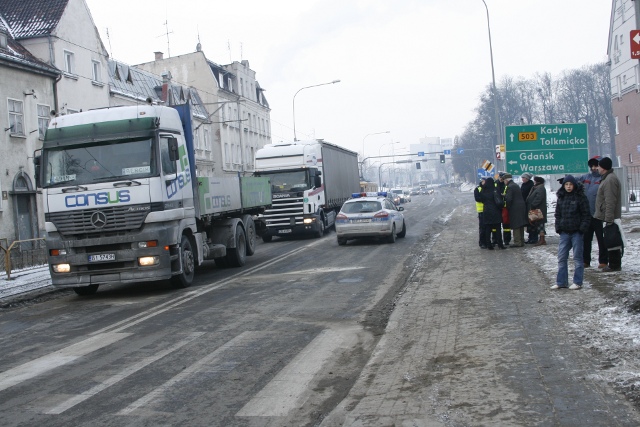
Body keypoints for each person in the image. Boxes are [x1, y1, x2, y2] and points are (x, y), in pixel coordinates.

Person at [552, 175, 591, 290]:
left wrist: (581, 229)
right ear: (564, 186)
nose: (568, 187)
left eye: (570, 184)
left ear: (574, 185)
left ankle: (578, 282)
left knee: (578, 258)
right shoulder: (561, 197)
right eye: (566, 185)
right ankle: (561, 282)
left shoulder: (580, 197)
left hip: (576, 232)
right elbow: (557, 214)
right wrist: (558, 227)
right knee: (562, 257)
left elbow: (586, 215)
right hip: (564, 232)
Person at [594, 157, 623, 272]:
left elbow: (610, 201)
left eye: (599, 166)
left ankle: (614, 265)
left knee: (612, 240)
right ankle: (613, 264)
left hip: (609, 217)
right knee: (610, 240)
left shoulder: (610, 180)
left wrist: (609, 219)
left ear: (604, 168)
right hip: (607, 216)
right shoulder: (607, 178)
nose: (597, 168)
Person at [578, 156, 607, 269]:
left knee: (601, 239)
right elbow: (575, 181)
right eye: (592, 166)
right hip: (586, 214)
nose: (594, 168)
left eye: (596, 166)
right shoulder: (586, 177)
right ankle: (586, 260)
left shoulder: (603, 179)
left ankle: (603, 260)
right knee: (586, 239)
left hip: (599, 215)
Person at [479, 177, 506, 250]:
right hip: (495, 210)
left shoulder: (483, 190)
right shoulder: (495, 189)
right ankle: (500, 244)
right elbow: (499, 200)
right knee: (498, 228)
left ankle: (489, 245)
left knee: (488, 228)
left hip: (486, 211)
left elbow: (481, 200)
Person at [503, 173, 528, 247]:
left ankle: (517, 242)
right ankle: (521, 241)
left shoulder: (509, 187)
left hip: (515, 207)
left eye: (504, 180)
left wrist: (507, 206)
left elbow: (509, 199)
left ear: (506, 180)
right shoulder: (515, 185)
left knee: (516, 225)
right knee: (520, 224)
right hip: (521, 206)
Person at [526, 176, 548, 246]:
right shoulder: (537, 188)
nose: (534, 182)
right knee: (538, 224)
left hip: (539, 210)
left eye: (535, 181)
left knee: (540, 224)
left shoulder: (540, 188)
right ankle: (541, 239)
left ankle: (542, 239)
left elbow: (539, 198)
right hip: (537, 209)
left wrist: (533, 205)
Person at [520, 173, 536, 243]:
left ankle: (533, 238)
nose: (522, 179)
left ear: (527, 178)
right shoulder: (524, 185)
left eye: (523, 178)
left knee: (532, 222)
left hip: (530, 205)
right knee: (529, 222)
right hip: (525, 205)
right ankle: (530, 237)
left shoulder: (531, 185)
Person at [474, 178, 487, 248]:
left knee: (487, 228)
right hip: (481, 211)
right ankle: (482, 242)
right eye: (483, 181)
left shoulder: (488, 188)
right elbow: (477, 198)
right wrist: (485, 199)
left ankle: (487, 241)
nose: (483, 182)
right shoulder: (477, 189)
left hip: (487, 210)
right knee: (482, 228)